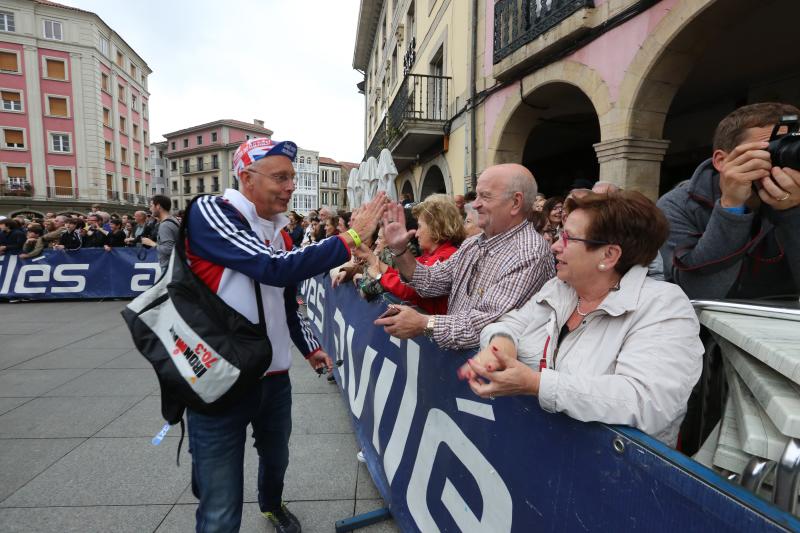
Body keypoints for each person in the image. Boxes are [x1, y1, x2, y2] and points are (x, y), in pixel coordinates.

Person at [183, 137, 385, 533]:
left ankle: (272, 505)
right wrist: (351, 238)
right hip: (218, 379)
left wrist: (310, 348)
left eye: (292, 176)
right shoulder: (211, 211)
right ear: (245, 177)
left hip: (273, 378)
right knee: (220, 505)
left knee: (276, 458)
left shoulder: (283, 233)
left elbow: (286, 300)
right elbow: (270, 267)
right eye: (280, 177)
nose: (291, 186)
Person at [460, 191, 703, 447]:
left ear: (608, 255)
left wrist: (536, 384)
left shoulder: (664, 307)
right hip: (543, 453)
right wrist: (501, 347)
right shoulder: (560, 287)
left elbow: (646, 402)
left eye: (567, 237)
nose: (554, 245)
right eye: (558, 234)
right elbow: (512, 322)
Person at [375, 163, 555, 350]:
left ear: (516, 202)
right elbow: (431, 281)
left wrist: (423, 323)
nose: (475, 204)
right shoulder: (473, 243)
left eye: (485, 196)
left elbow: (481, 327)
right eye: (476, 195)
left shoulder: (529, 254)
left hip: (485, 375)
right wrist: (400, 250)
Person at [658, 102, 800, 299]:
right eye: (772, 150)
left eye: (793, 148)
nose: (787, 158)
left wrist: (792, 213)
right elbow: (697, 292)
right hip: (706, 325)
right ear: (721, 161)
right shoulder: (678, 205)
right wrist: (731, 207)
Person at [358, 194, 465, 314]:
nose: (417, 233)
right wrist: (369, 256)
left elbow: (411, 289)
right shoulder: (429, 255)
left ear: (436, 227)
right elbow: (403, 277)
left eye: (419, 226)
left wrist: (380, 277)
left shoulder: (447, 255)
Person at [141, 195, 179, 272]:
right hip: (173, 266)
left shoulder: (165, 225)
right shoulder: (172, 220)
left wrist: (151, 243)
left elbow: (168, 249)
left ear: (158, 206)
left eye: (151, 205)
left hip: (169, 268)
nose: (150, 208)